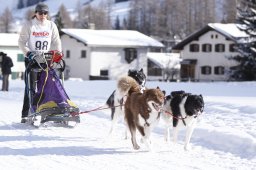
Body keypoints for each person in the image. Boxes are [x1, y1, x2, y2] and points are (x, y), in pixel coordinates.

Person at [18, 3, 62, 123]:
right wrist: (28, 53)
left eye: (45, 13)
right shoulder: (29, 25)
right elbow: (21, 42)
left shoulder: (51, 25)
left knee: (46, 86)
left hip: (46, 59)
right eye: (40, 13)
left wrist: (57, 54)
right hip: (32, 59)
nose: (43, 15)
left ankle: (46, 110)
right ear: (36, 13)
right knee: (30, 87)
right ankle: (26, 114)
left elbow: (56, 41)